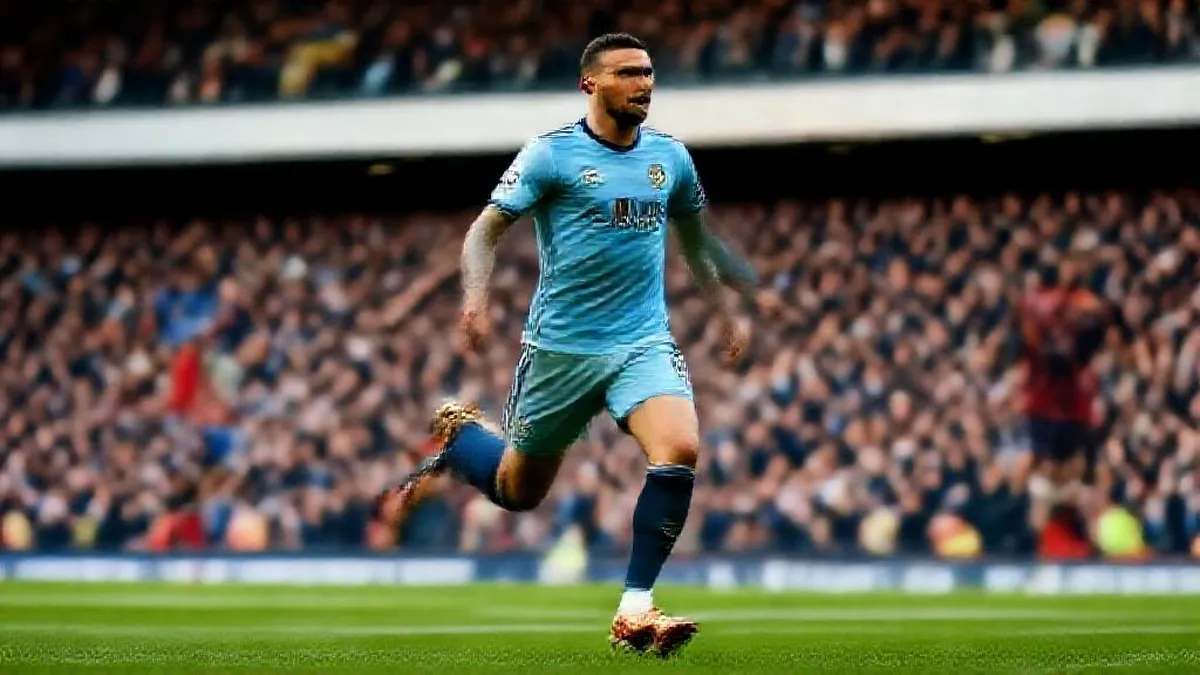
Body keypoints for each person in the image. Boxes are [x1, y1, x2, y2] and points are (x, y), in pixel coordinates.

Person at [376, 32, 757, 657]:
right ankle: (462, 439)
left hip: (641, 341)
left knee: (680, 447)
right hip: (560, 351)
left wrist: (726, 313)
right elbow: (484, 231)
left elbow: (695, 240)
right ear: (591, 83)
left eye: (648, 72)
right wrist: (475, 298)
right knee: (519, 491)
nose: (643, 84)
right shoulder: (551, 155)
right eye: (627, 73)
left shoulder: (671, 158)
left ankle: (635, 608)